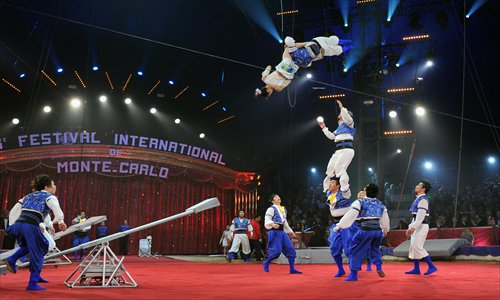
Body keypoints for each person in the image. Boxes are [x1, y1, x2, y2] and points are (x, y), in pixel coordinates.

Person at [0, 174, 67, 291]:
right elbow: (59, 213)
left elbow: (15, 210)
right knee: (42, 248)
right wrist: (60, 221)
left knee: (28, 246)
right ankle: (32, 283)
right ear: (47, 187)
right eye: (53, 184)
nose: (55, 186)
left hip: (18, 225)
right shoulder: (50, 197)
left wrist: (12, 225)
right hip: (30, 226)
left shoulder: (28, 196)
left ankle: (12, 259)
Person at [255, 35, 351, 98]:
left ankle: (346, 47)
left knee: (307, 59)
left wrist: (281, 79)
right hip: (284, 65)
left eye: (269, 94)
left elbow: (288, 82)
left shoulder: (278, 89)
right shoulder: (264, 79)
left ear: (267, 91)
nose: (271, 93)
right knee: (289, 50)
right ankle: (346, 44)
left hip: (292, 68)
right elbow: (268, 67)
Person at [333, 183, 390, 281]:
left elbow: (350, 215)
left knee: (354, 250)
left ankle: (353, 274)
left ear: (366, 191)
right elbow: (385, 220)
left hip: (365, 230)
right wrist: (385, 230)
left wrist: (339, 226)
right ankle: (378, 267)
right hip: (377, 231)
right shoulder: (381, 204)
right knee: (375, 249)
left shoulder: (359, 202)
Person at [318, 100, 355, 193]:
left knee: (339, 169)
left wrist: (342, 108)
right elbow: (331, 136)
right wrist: (324, 128)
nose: (338, 116)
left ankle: (345, 187)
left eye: (340, 115)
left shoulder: (350, 124)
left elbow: (348, 118)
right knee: (330, 169)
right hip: (338, 151)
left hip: (347, 150)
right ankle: (327, 188)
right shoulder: (338, 129)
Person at [405, 180, 438, 276]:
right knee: (413, 247)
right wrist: (410, 227)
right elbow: (416, 217)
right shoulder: (419, 198)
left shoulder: (423, 200)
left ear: (423, 189)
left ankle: (431, 266)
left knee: (417, 247)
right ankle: (416, 269)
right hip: (418, 225)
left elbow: (420, 217)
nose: (416, 186)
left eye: (419, 185)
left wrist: (412, 228)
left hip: (421, 225)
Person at [263, 194, 302, 274]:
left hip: (282, 232)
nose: (278, 197)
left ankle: (292, 269)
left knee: (290, 249)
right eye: (276, 197)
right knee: (276, 251)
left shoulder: (283, 209)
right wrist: (273, 224)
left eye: (278, 196)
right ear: (272, 200)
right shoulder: (271, 209)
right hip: (274, 231)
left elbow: (285, 222)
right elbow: (267, 219)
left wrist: (291, 232)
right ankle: (267, 262)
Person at [326, 177, 355, 277]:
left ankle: (353, 272)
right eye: (330, 183)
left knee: (349, 249)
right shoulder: (329, 194)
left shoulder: (344, 193)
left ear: (338, 185)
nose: (330, 184)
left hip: (347, 224)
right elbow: (326, 180)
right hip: (335, 225)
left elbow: (345, 183)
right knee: (334, 248)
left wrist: (341, 173)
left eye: (332, 183)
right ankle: (341, 269)